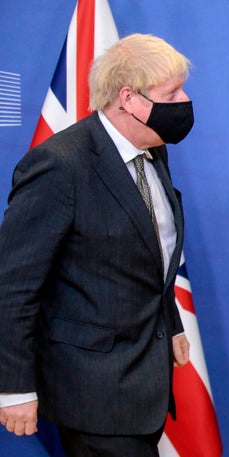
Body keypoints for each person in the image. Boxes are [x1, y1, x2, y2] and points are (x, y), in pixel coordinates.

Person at [0, 33, 194, 457]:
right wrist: (13, 387)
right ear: (129, 99)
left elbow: (146, 253)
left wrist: (171, 322)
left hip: (146, 380)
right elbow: (12, 286)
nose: (184, 101)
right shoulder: (59, 166)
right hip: (93, 394)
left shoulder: (153, 149)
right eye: (172, 92)